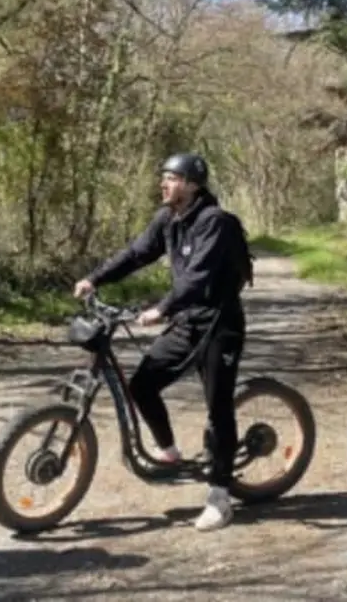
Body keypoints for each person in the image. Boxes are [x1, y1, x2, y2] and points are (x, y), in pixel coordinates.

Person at [74, 153, 251, 532]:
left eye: (172, 178)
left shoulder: (213, 223)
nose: (164, 184)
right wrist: (95, 278)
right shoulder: (168, 219)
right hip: (189, 321)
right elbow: (136, 254)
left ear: (192, 184)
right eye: (164, 177)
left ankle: (220, 497)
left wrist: (162, 309)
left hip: (220, 324)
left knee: (218, 408)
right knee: (142, 384)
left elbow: (198, 279)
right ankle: (169, 452)